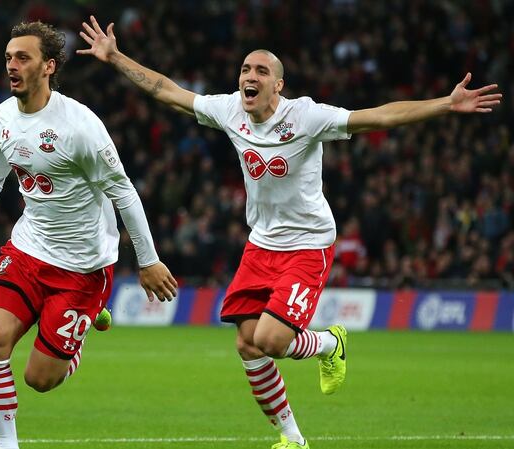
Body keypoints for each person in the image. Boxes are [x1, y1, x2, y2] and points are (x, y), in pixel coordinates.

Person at [78, 16, 502, 449]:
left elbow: (378, 117)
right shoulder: (228, 111)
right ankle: (293, 438)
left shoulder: (306, 117)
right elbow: (166, 91)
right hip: (261, 243)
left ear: (279, 85)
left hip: (307, 244)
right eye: (246, 69)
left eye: (262, 71)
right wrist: (114, 57)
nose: (250, 76)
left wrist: (445, 104)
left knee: (271, 340)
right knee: (247, 344)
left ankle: (328, 344)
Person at [0, 21, 178, 449]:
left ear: (48, 66)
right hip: (28, 250)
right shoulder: (1, 119)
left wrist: (148, 260)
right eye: (8, 57)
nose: (12, 65)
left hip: (83, 267)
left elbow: (124, 192)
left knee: (39, 379)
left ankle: (76, 336)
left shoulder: (80, 127)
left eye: (22, 57)